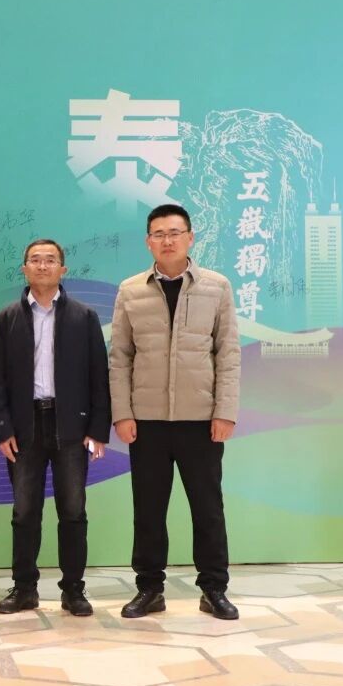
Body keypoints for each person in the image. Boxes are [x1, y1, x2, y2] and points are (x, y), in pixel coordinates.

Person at [109, 204, 242, 620]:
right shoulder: (131, 290)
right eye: (159, 234)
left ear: (190, 237)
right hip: (146, 421)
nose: (167, 241)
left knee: (208, 508)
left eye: (174, 233)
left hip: (200, 420)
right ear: (148, 241)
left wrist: (225, 411)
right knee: (148, 510)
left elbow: (228, 353)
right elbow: (120, 357)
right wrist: (122, 413)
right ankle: (149, 589)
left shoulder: (216, 287)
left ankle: (214, 589)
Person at [0, 239, 110, 616]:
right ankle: (24, 588)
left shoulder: (83, 317)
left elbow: (99, 375)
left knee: (72, 510)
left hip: (71, 425)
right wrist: (2, 428)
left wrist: (98, 428)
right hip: (24, 426)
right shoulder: (7, 318)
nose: (43, 266)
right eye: (35, 260)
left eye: (50, 260)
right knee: (25, 512)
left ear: (63, 269)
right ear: (24, 269)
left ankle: (73, 590)